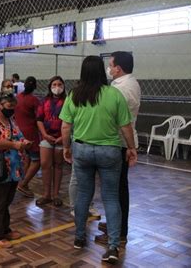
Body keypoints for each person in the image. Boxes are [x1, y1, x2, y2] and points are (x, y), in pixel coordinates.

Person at [59, 55, 138, 264]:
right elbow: (125, 126)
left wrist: (66, 147)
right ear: (102, 71)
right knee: (111, 197)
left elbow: (65, 126)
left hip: (82, 150)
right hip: (110, 152)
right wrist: (131, 148)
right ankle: (112, 247)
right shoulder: (113, 94)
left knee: (84, 195)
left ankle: (79, 237)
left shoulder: (74, 95)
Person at [95, 51, 141, 246]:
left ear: (118, 68)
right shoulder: (124, 83)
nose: (109, 68)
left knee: (117, 190)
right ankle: (116, 222)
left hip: (120, 143)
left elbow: (118, 119)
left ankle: (120, 233)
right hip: (118, 141)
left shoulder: (122, 88)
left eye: (111, 65)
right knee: (114, 187)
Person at [0, 91, 32, 248]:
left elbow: (18, 136)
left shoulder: (11, 120)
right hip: (0, 166)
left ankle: (5, 229)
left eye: (13, 107)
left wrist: (24, 142)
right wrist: (13, 145)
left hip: (13, 167)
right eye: (9, 106)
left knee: (6, 200)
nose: (12, 109)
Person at [36, 76, 66, 206]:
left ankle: (56, 195)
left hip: (61, 138)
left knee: (58, 166)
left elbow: (71, 121)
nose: (57, 87)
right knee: (45, 164)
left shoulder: (68, 101)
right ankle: (46, 194)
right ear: (50, 86)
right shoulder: (44, 101)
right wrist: (44, 135)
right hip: (46, 138)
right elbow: (39, 119)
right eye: (54, 84)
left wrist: (63, 137)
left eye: (59, 84)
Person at [14, 76, 41, 198]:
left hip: (19, 132)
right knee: (37, 160)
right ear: (35, 86)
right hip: (31, 133)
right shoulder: (34, 100)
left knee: (27, 159)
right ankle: (23, 184)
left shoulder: (17, 98)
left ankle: (22, 181)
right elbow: (40, 117)